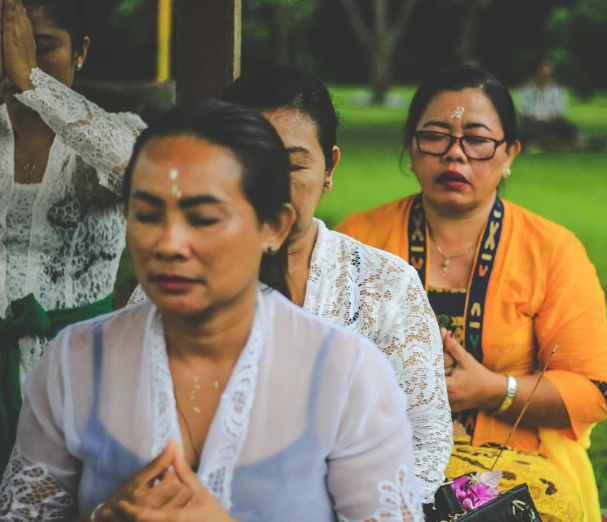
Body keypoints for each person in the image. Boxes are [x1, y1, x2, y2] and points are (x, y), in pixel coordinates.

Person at [0, 100, 425, 522]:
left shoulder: (345, 375)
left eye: (202, 218)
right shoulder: (75, 362)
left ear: (272, 227)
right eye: (147, 214)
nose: (168, 243)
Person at [128, 65, 452, 504]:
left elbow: (424, 445)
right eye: (250, 163)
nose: (271, 185)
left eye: (294, 165)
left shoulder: (386, 285)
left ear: (329, 167)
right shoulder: (174, 280)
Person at [336, 64, 607, 522]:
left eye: (477, 139)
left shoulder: (551, 250)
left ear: (509, 154)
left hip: (512, 462)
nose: (454, 155)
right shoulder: (358, 239)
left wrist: (493, 390)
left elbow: (596, 389)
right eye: (435, 136)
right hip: (378, 454)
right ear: (411, 147)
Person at [0, 0, 145, 470]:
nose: (18, 59)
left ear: (81, 51)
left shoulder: (117, 133)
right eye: (8, 48)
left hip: (79, 376)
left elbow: (140, 171)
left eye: (41, 48)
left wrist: (32, 82)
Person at [518, 59, 579, 151]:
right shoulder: (526, 91)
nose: (544, 78)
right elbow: (524, 111)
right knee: (525, 130)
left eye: (547, 75)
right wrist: (537, 118)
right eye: (542, 74)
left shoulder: (558, 91)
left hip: (552, 122)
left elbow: (560, 111)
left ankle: (548, 142)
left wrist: (547, 119)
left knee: (567, 128)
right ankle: (549, 142)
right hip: (534, 123)